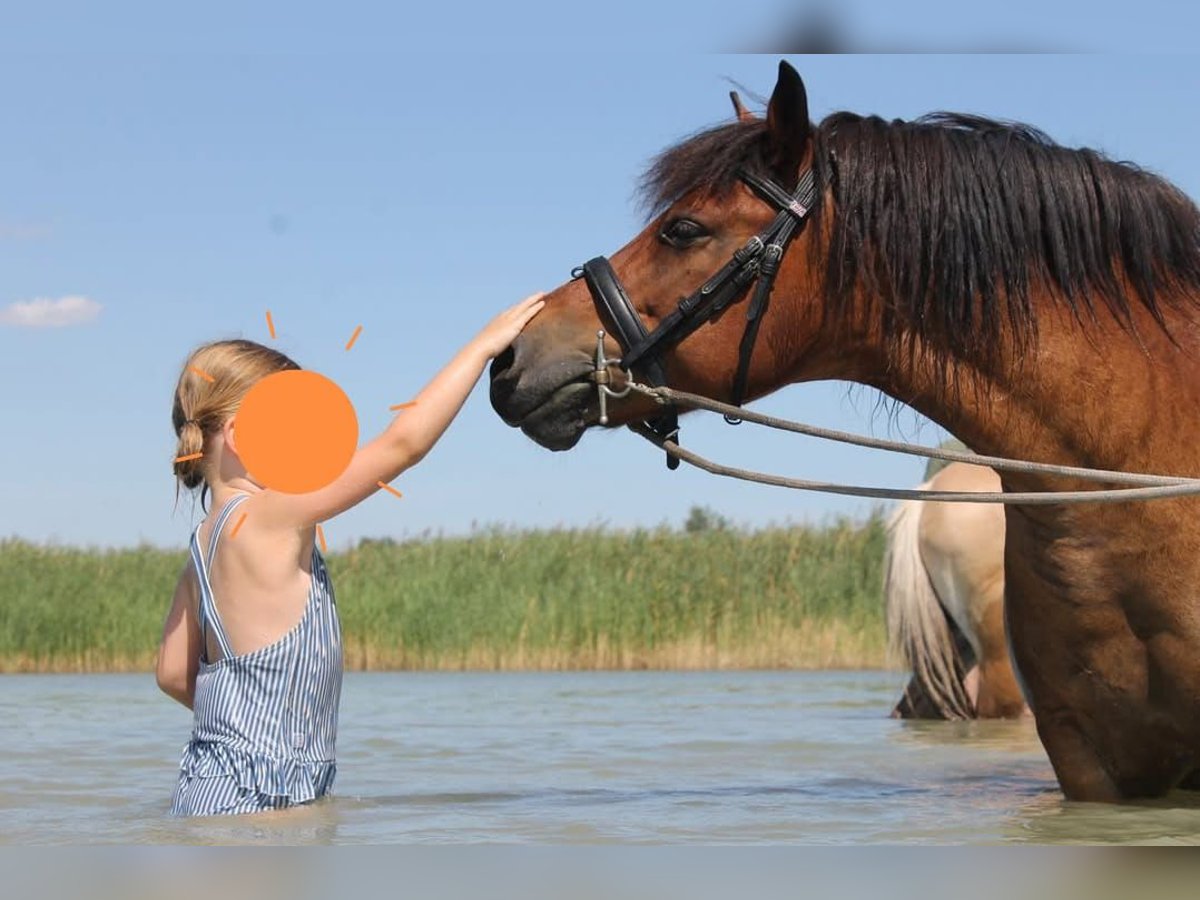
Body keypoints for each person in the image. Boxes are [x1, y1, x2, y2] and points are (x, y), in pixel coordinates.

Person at [155, 293, 546, 816]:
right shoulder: (272, 516)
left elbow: (173, 675)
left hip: (206, 791)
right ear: (244, 435)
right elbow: (401, 446)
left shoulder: (202, 547)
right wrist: (480, 347)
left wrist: (247, 730)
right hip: (260, 807)